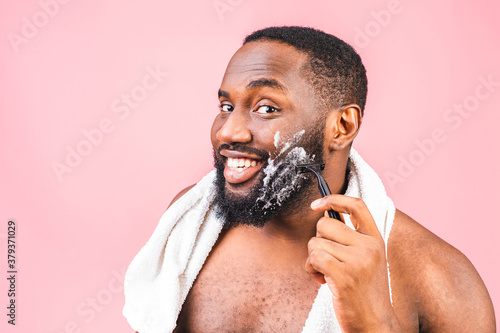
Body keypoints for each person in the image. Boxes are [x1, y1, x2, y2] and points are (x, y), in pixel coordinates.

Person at [123, 26, 495, 332]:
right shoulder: (188, 221)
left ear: (342, 127)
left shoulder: (440, 281)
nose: (228, 132)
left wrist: (375, 324)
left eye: (266, 108)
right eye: (226, 106)